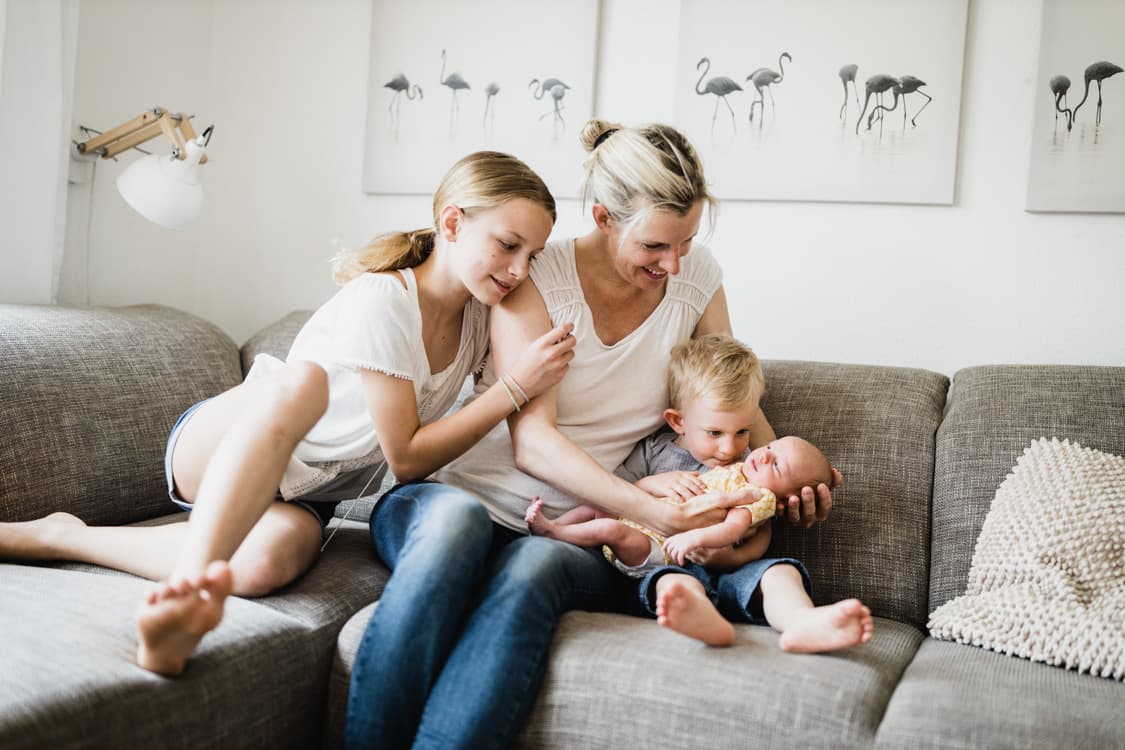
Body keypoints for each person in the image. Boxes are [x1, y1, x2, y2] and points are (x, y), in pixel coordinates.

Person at [344, 120, 837, 750]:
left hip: (571, 530)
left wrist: (785, 468)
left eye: (685, 242)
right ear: (604, 217)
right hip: (464, 497)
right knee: (451, 527)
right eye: (656, 245)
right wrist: (654, 509)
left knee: (531, 570)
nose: (673, 262)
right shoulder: (535, 276)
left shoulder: (696, 278)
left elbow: (732, 398)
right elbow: (533, 444)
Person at [0, 151, 574, 676]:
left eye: (533, 255)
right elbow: (405, 456)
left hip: (305, 491)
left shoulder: (480, 321)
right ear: (452, 224)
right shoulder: (385, 299)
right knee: (304, 383)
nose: (521, 269)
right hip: (231, 438)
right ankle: (191, 598)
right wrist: (515, 387)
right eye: (508, 244)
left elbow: (453, 454)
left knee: (264, 565)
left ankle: (64, 537)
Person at [527, 333, 873, 650]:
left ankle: (802, 621)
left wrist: (732, 558)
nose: (729, 448)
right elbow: (618, 500)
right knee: (672, 582)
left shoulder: (753, 468)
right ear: (678, 421)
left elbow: (758, 529)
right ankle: (701, 619)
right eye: (714, 433)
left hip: (732, 571)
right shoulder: (653, 454)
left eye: (742, 431)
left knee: (781, 572)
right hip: (664, 563)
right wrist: (653, 484)